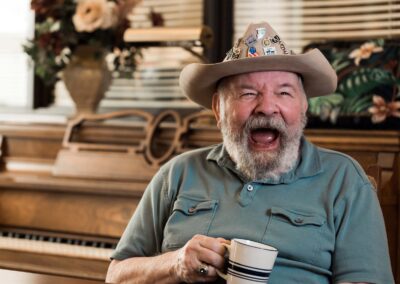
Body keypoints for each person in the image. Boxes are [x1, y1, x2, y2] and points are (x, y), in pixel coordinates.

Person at [106, 22, 394, 283]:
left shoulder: (344, 180)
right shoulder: (178, 173)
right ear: (218, 108)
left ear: (303, 106)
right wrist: (174, 263)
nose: (267, 107)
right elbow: (116, 276)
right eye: (248, 93)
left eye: (284, 93)